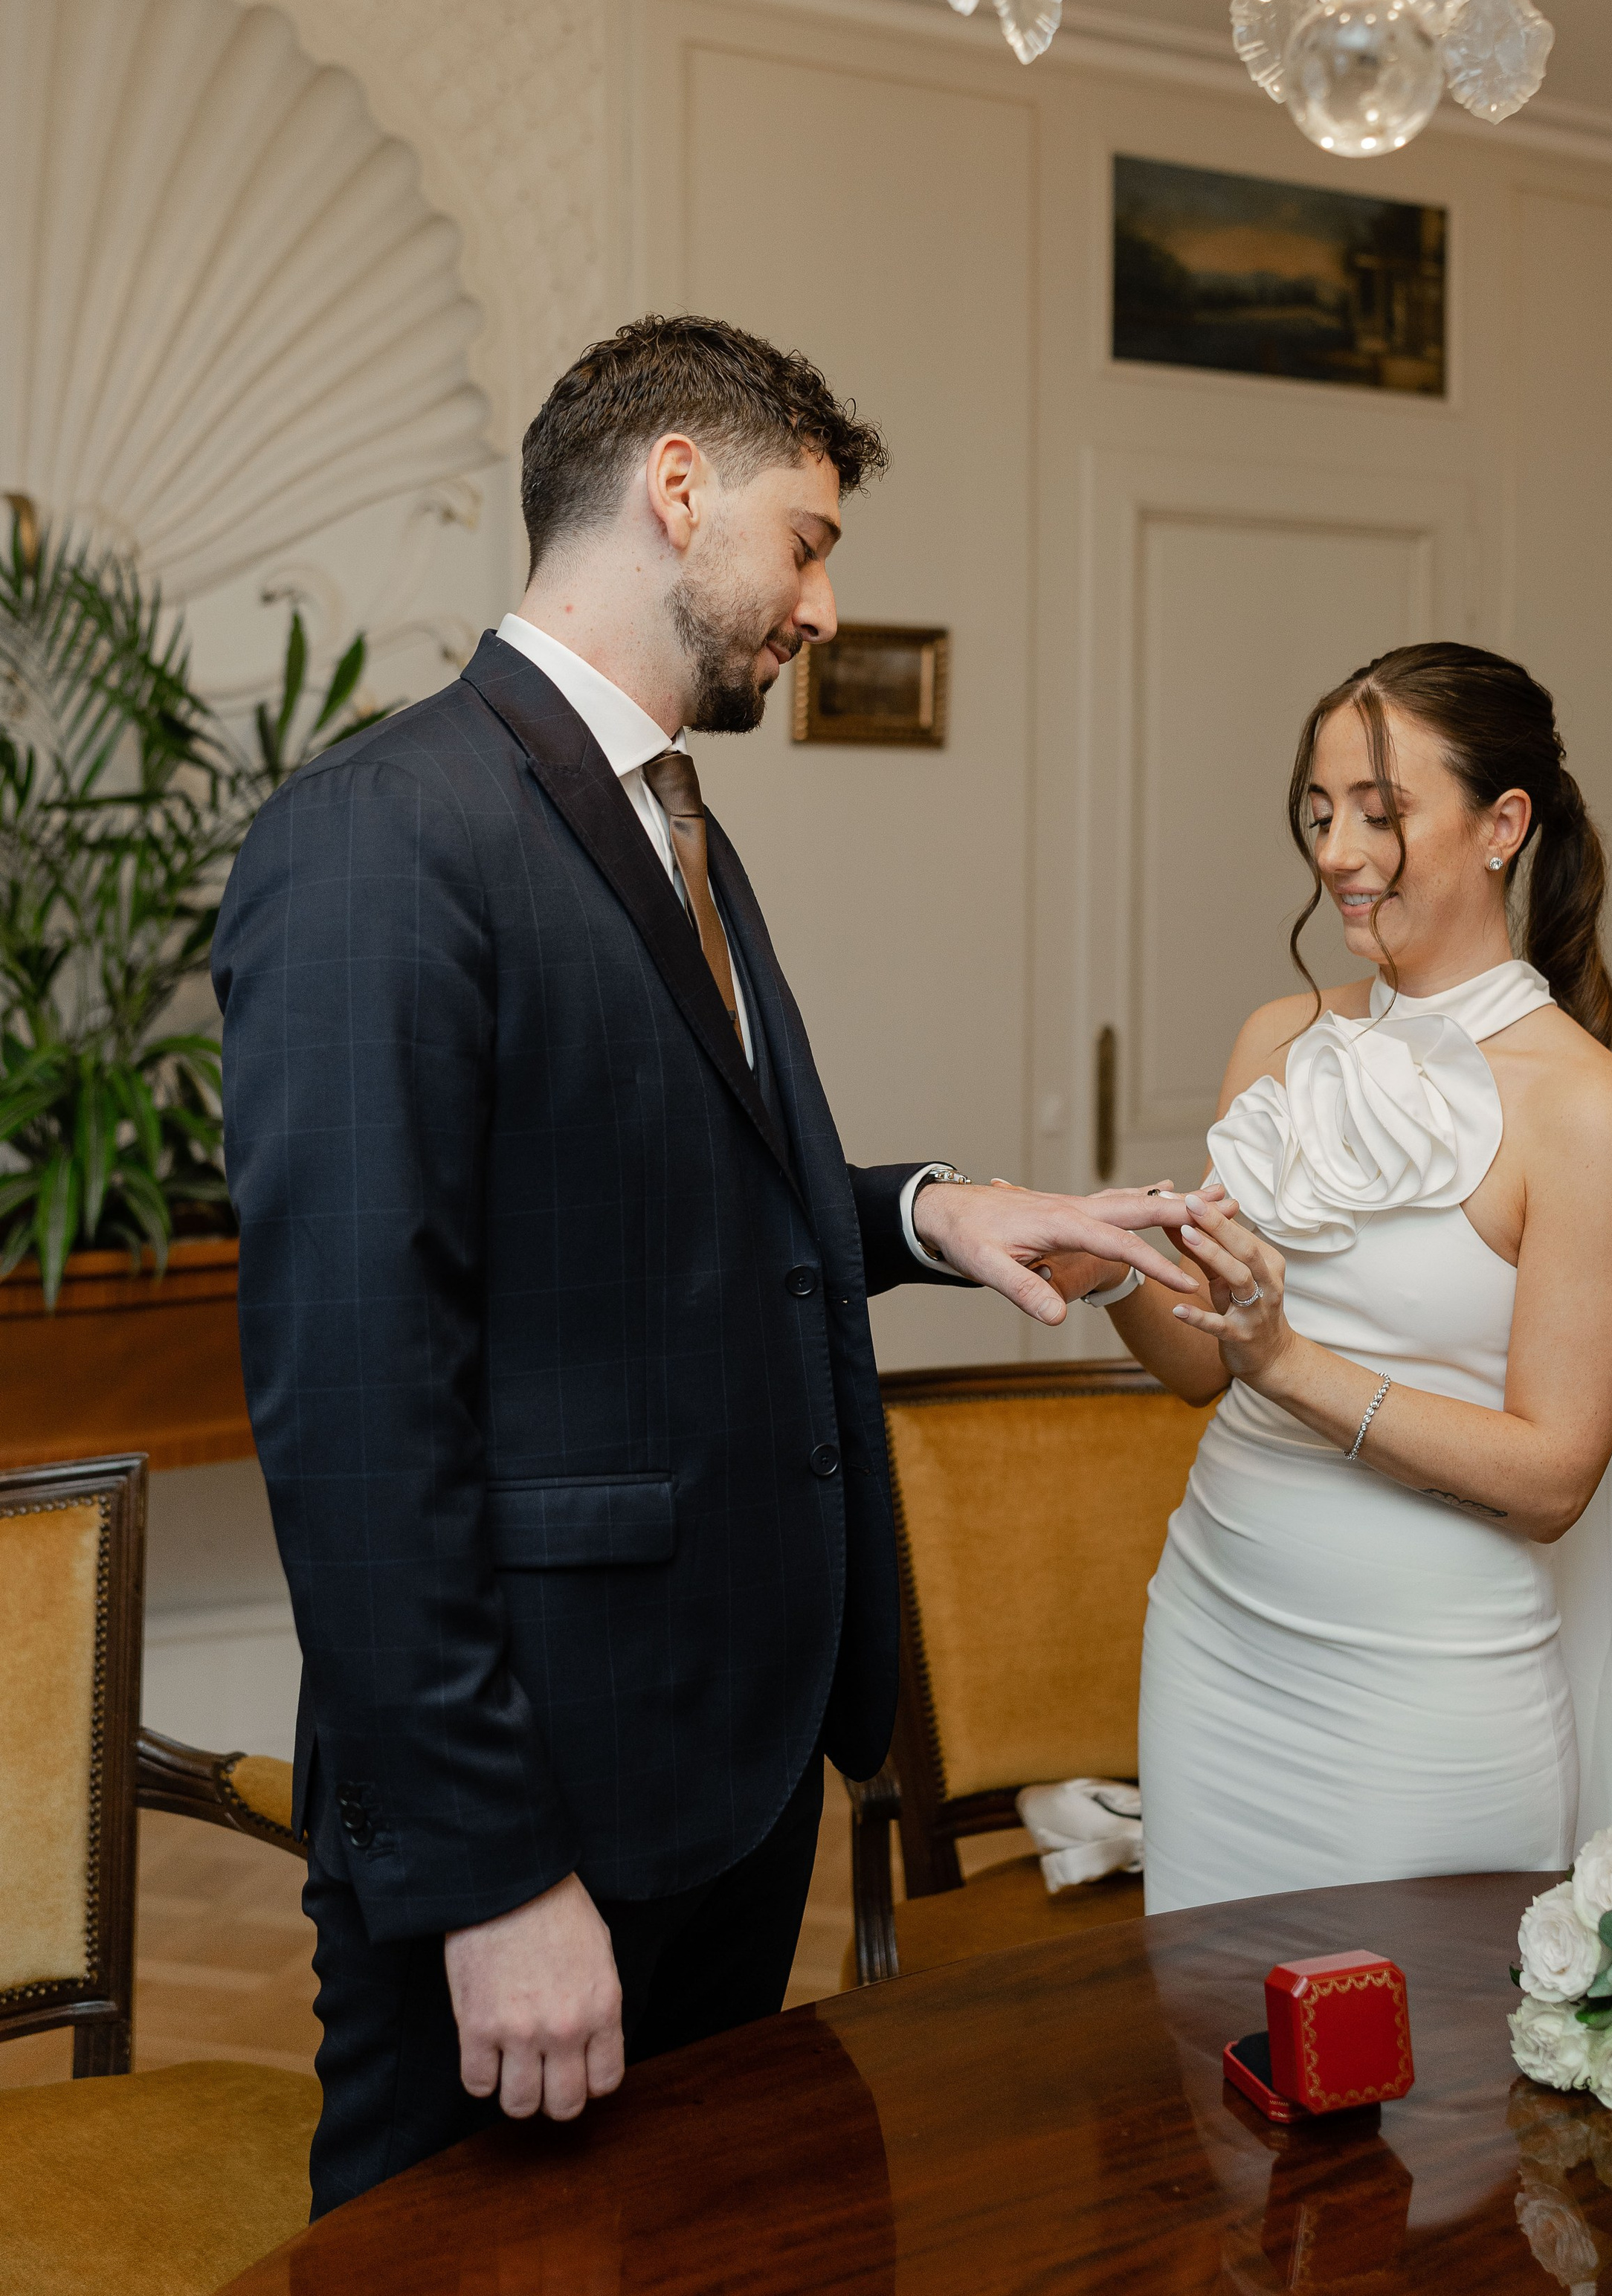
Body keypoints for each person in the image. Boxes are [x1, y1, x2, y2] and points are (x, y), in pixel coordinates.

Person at [213, 313, 1193, 2216]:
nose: (821, 605)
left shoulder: (672, 818)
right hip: (541, 1793)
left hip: (717, 1771)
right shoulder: (378, 838)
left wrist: (930, 1213)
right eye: (807, 539)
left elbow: (666, 1208)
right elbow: (352, 1400)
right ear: (675, 487)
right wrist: (492, 1871)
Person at [1067, 642, 1612, 1909]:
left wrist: (1289, 1362)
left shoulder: (1584, 1108)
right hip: (1218, 1637)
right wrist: (1108, 1269)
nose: (1336, 852)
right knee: (1219, 2056)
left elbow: (1556, 1477)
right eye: (1320, 813)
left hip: (1431, 1675)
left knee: (1427, 2085)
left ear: (1505, 824)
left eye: (1381, 816)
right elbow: (1198, 1364)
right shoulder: (1277, 1039)